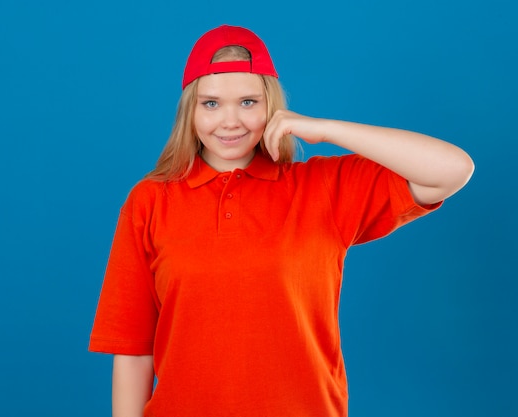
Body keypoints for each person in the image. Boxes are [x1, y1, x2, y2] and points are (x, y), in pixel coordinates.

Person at [89, 24, 474, 417]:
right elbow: (133, 349)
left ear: (272, 106)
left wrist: (324, 129)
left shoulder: (322, 187)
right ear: (189, 109)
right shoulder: (151, 201)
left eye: (248, 102)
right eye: (211, 103)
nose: (230, 121)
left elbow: (452, 169)